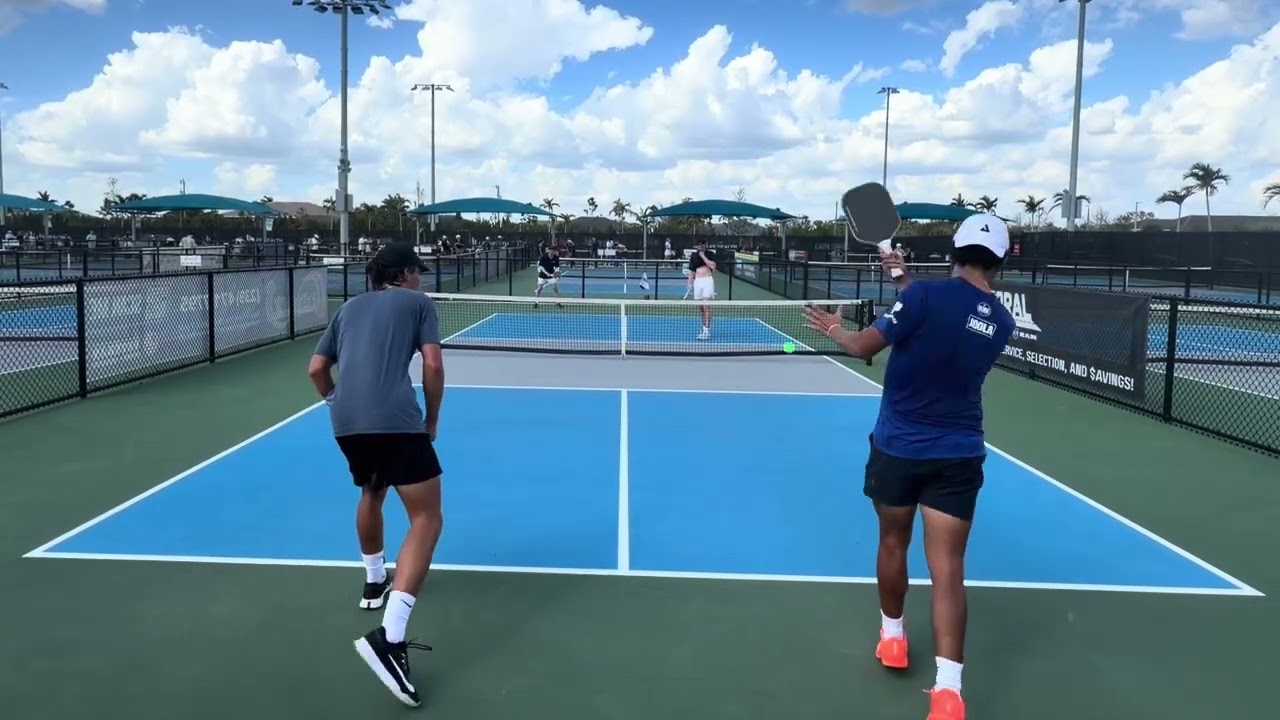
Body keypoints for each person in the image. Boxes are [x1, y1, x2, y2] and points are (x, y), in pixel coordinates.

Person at [801, 214, 1015, 720]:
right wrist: (900, 279)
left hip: (899, 448)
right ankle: (948, 693)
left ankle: (893, 638)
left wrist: (834, 327)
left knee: (893, 542)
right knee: (949, 574)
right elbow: (953, 315)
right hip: (959, 454)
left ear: (954, 251)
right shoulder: (1001, 321)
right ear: (1003, 260)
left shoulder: (922, 298)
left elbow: (863, 346)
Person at [307, 242, 446, 708]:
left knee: (372, 488)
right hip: (397, 421)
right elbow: (431, 363)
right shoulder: (419, 303)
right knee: (427, 519)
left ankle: (373, 580)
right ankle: (390, 636)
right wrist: (431, 417)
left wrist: (334, 402)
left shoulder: (348, 308)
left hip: (347, 423)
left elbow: (316, 369)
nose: (421, 280)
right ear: (405, 273)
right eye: (418, 272)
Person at [687, 241, 717, 340]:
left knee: (706, 306)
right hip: (698, 282)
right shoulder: (694, 256)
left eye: (703, 245)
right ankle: (704, 327)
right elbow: (691, 271)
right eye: (699, 245)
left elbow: (713, 266)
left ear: (706, 246)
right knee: (701, 308)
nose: (701, 246)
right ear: (697, 246)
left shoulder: (710, 254)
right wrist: (689, 283)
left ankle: (706, 330)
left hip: (707, 281)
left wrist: (703, 256)